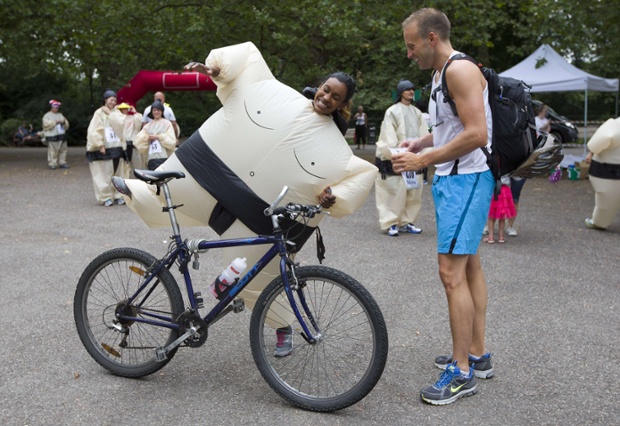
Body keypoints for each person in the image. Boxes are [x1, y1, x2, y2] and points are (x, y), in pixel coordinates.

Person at [115, 42, 376, 357]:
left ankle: (282, 327)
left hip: (257, 217)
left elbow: (362, 175)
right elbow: (246, 60)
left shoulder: (336, 147)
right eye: (326, 89)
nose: (326, 98)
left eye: (336, 97)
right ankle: (143, 191)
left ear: (344, 103)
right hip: (206, 175)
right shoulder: (274, 93)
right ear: (319, 86)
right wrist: (215, 69)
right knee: (169, 189)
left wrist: (334, 195)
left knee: (269, 277)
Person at [392, 8, 496, 405]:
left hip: (467, 178)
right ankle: (477, 355)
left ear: (432, 38)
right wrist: (421, 144)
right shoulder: (438, 75)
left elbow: (476, 133)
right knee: (468, 265)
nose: (409, 54)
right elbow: (451, 127)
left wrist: (423, 161)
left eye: (412, 45)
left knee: (450, 274)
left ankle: (462, 372)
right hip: (455, 179)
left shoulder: (460, 70)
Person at [375, 79, 430, 236]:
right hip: (398, 157)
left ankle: (407, 221)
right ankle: (391, 222)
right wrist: (394, 152)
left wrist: (423, 155)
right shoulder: (392, 111)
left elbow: (423, 134)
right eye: (407, 89)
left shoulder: (417, 112)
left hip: (414, 156)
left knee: (413, 191)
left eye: (413, 89)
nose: (411, 92)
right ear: (400, 93)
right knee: (394, 190)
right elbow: (388, 134)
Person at [86, 90, 128, 207]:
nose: (113, 102)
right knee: (104, 173)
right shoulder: (98, 113)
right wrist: (99, 144)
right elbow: (94, 130)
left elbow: (120, 125)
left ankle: (119, 195)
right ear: (105, 100)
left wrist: (110, 113)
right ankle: (106, 197)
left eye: (115, 100)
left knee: (118, 172)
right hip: (105, 146)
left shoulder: (117, 113)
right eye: (111, 100)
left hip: (117, 146)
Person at [584, 117, 620, 230]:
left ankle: (600, 222)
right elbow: (606, 137)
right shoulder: (614, 126)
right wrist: (591, 152)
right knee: (607, 198)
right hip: (607, 169)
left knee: (606, 200)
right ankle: (600, 221)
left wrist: (591, 152)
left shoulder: (614, 126)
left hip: (607, 169)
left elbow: (603, 139)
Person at [133, 100, 176, 171]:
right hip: (151, 157)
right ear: (152, 112)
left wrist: (159, 137)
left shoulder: (167, 123)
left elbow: (172, 141)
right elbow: (138, 140)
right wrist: (147, 138)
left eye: (158, 110)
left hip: (164, 156)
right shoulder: (148, 126)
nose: (156, 112)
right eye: (154, 110)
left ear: (162, 111)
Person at [484, 176, 516, 243]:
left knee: (491, 216)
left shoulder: (493, 167)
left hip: (494, 189)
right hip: (505, 190)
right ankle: (501, 237)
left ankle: (491, 236)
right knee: (502, 216)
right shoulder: (507, 167)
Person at [42, 100, 70, 169]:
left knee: (63, 149)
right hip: (52, 135)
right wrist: (55, 122)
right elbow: (46, 125)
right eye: (55, 107)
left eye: (57, 107)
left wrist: (64, 122)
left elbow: (66, 123)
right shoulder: (47, 115)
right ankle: (52, 163)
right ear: (51, 107)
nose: (57, 109)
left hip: (61, 134)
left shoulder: (60, 115)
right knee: (53, 150)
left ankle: (62, 162)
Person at [117, 103, 145, 173]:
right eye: (122, 109)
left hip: (133, 143)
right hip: (122, 144)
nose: (124, 110)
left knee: (137, 164)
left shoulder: (133, 117)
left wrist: (135, 111)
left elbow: (138, 125)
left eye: (126, 108)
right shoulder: (117, 119)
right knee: (123, 166)